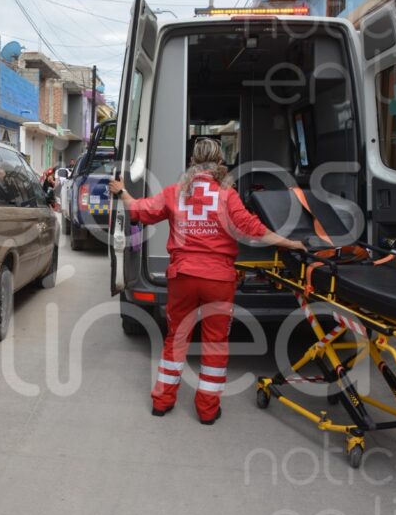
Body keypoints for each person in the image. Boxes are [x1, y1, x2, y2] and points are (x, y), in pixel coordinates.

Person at [108, 138, 305, 424]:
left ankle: (162, 402)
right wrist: (289, 243)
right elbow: (252, 229)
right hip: (218, 280)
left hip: (182, 278)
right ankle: (207, 411)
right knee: (215, 343)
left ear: (192, 161)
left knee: (176, 338)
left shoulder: (175, 193)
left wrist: (122, 192)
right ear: (220, 163)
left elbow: (141, 211)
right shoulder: (228, 196)